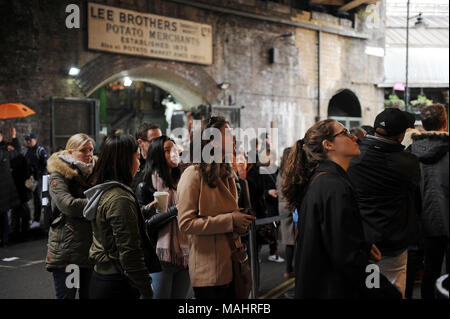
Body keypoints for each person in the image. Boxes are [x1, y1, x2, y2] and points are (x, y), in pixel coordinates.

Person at [282, 119, 384, 299]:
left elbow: (335, 239)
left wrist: (364, 246)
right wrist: (387, 292)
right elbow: (347, 257)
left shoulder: (324, 179)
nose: (354, 137)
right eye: (344, 133)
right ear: (328, 144)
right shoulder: (333, 186)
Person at [177, 116, 256, 299]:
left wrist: (240, 222)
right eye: (228, 134)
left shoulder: (227, 172)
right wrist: (230, 220)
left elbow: (229, 212)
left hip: (232, 261)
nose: (234, 137)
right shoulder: (193, 174)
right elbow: (186, 224)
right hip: (209, 271)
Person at [347, 108, 421, 298]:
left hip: (360, 241)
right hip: (392, 242)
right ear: (401, 135)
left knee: (364, 291)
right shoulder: (407, 163)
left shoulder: (353, 157)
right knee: (393, 291)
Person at [83, 134, 160, 299]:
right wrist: (146, 289)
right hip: (117, 283)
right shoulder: (120, 198)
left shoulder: (106, 189)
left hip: (104, 278)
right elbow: (129, 252)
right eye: (137, 157)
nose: (139, 165)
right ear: (125, 160)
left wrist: (142, 211)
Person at [136, 135, 190, 299]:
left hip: (185, 254)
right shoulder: (145, 185)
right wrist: (176, 210)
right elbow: (144, 225)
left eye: (174, 149)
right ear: (157, 155)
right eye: (167, 150)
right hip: (159, 257)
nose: (173, 153)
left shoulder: (184, 181)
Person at [45, 134, 96, 299]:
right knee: (68, 296)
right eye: (83, 150)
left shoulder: (95, 173)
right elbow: (69, 206)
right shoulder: (58, 175)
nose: (89, 154)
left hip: (91, 251)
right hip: (69, 255)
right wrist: (99, 200)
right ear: (70, 152)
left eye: (91, 149)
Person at [410, 104, 449, 299]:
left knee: (430, 269)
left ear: (423, 125)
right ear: (445, 123)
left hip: (423, 222)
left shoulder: (410, 152)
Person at [261, 150, 284, 263]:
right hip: (267, 203)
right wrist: (267, 192)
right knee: (267, 229)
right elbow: (258, 190)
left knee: (275, 228)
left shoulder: (277, 169)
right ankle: (271, 252)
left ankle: (274, 252)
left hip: (276, 201)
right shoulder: (261, 171)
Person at [0, 130, 21, 247]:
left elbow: (17, 152)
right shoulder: (5, 149)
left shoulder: (5, 149)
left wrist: (14, 137)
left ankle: (5, 239)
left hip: (4, 188)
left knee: (3, 215)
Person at [24, 133, 49, 229]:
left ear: (35, 140)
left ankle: (37, 220)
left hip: (40, 178)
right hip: (32, 178)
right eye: (27, 140)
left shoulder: (40, 150)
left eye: (30, 140)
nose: (28, 142)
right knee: (32, 198)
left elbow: (46, 164)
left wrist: (42, 177)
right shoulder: (28, 151)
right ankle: (32, 219)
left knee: (39, 199)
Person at [277, 147, 295, 278]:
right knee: (292, 240)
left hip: (283, 206)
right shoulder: (289, 172)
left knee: (290, 240)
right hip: (289, 207)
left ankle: (289, 269)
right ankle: (289, 270)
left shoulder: (281, 171)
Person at [132, 123, 162, 192]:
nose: (159, 144)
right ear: (140, 142)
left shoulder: (166, 162)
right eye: (153, 141)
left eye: (161, 140)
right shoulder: (134, 164)